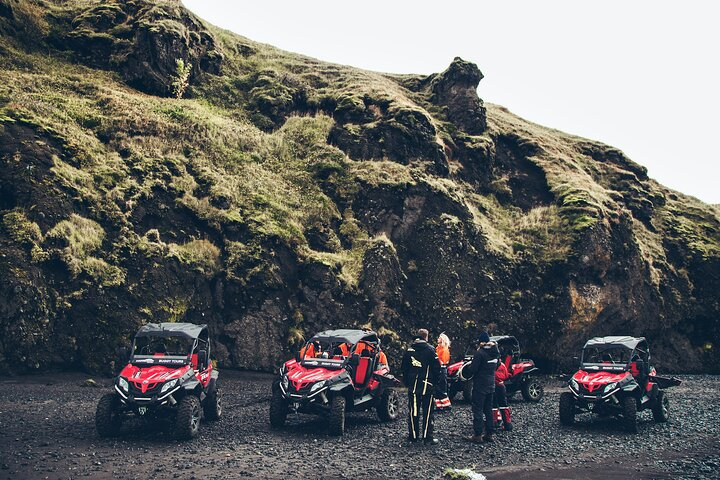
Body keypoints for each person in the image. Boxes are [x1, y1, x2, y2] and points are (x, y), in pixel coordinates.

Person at [401, 328, 441, 445]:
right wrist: (435, 383)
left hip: (413, 386)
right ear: (426, 337)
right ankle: (427, 438)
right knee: (428, 412)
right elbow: (437, 368)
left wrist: (407, 382)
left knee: (413, 411)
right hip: (427, 386)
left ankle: (413, 436)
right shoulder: (430, 350)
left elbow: (404, 368)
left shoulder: (409, 350)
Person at [464, 332, 500, 443]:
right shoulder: (495, 353)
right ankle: (489, 433)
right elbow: (497, 365)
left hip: (480, 385)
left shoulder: (480, 353)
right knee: (488, 409)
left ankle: (478, 434)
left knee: (478, 409)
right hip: (491, 384)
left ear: (481, 342)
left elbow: (473, 369)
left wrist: (468, 368)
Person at [434, 333, 452, 412]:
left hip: (442, 368)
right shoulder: (438, 348)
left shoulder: (444, 349)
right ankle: (439, 406)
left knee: (441, 387)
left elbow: (443, 361)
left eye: (439, 338)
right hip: (438, 369)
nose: (438, 339)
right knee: (436, 387)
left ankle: (447, 405)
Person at [494, 360, 512, 431]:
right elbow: (506, 376)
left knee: (493, 405)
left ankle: (494, 422)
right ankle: (507, 424)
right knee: (503, 405)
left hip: (494, 386)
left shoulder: (490, 365)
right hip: (501, 386)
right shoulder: (502, 365)